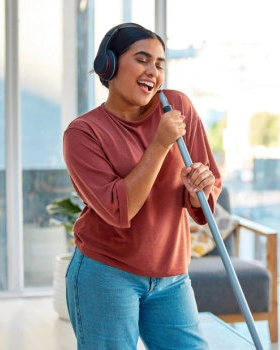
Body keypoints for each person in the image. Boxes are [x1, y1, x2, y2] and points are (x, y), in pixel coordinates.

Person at [63, 23, 220, 349]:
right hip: (106, 274)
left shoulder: (176, 107)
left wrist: (197, 189)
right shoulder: (82, 134)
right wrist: (160, 144)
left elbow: (207, 188)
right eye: (142, 59)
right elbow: (120, 209)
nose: (154, 71)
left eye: (160, 63)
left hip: (171, 276)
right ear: (109, 64)